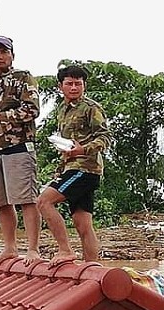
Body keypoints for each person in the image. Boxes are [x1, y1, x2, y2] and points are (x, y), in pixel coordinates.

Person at [0, 35, 41, 266]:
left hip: (18, 146)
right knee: (1, 202)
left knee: (26, 200)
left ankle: (33, 249)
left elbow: (32, 111)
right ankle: (10, 248)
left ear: (12, 54)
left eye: (3, 52)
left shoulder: (24, 78)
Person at [37, 64, 111, 266]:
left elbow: (105, 137)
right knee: (82, 223)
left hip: (85, 169)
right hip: (71, 168)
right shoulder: (62, 110)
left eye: (78, 83)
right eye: (69, 83)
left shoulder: (91, 108)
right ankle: (91, 267)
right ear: (60, 86)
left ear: (84, 85)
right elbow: (66, 145)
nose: (74, 87)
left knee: (44, 202)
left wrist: (83, 149)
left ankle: (65, 250)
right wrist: (60, 168)